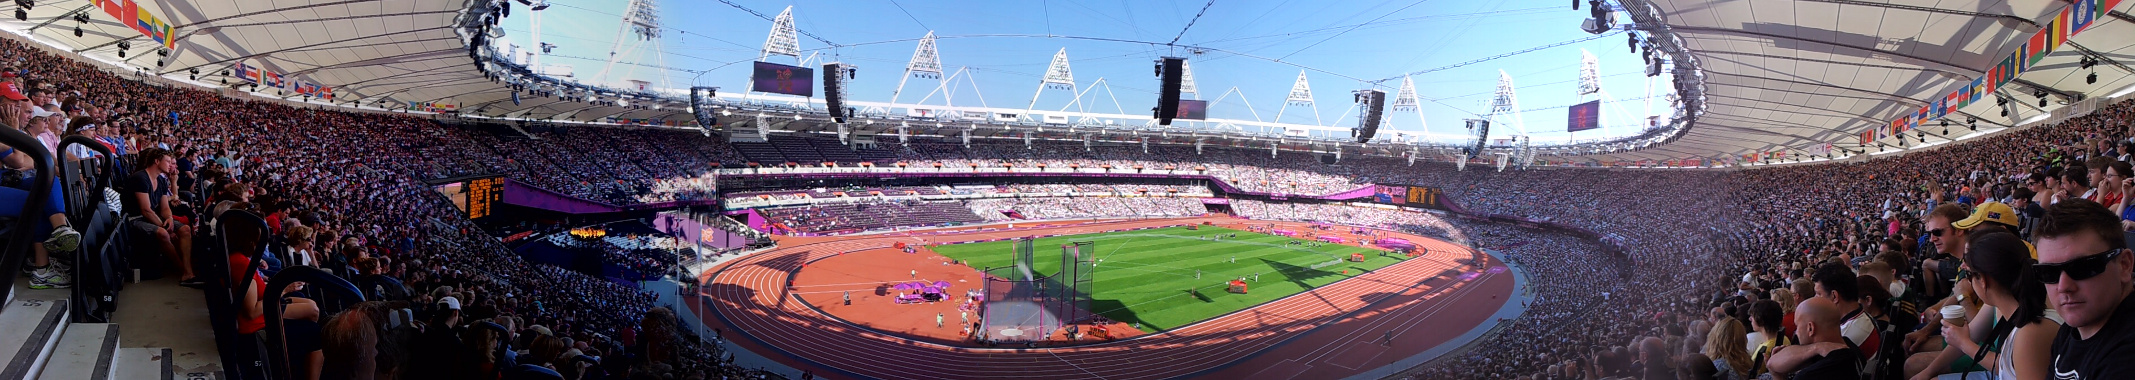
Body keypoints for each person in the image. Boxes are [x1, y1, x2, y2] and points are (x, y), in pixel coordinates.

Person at [1911, 231, 2059, 380]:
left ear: (1983, 280)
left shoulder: (2032, 331)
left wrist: (1964, 343)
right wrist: (1927, 373)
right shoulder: (2005, 301)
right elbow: (2000, 358)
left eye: (1969, 275)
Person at [2033, 199, 2135, 378]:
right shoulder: (2071, 330)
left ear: (2124, 265)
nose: (2064, 287)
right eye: (2048, 272)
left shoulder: (2127, 357)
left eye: (2082, 267)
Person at [1765, 297, 1863, 379]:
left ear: (1810, 328)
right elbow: (1773, 363)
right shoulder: (1848, 345)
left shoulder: (1810, 375)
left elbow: (1772, 365)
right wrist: (1817, 347)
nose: (1796, 332)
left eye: (1797, 326)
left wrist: (1778, 377)